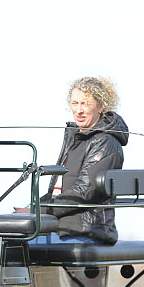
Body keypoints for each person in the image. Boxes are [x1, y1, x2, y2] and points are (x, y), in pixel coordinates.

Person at [38, 76, 127, 244]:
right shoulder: (78, 139)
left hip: (87, 230)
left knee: (16, 247)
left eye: (86, 103)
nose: (79, 110)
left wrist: (38, 210)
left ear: (100, 106)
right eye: (75, 103)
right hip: (61, 226)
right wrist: (32, 207)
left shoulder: (105, 142)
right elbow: (60, 189)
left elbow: (84, 191)